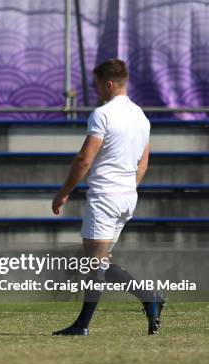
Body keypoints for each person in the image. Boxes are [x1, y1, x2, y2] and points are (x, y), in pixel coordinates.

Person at [51, 59, 165, 336]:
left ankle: (86, 324)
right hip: (127, 197)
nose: (96, 89)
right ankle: (147, 299)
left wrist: (64, 192)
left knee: (94, 264)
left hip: (105, 197)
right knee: (99, 261)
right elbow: (143, 165)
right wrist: (128, 187)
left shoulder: (102, 114)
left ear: (109, 84)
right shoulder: (141, 117)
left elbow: (83, 159)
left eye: (97, 84)